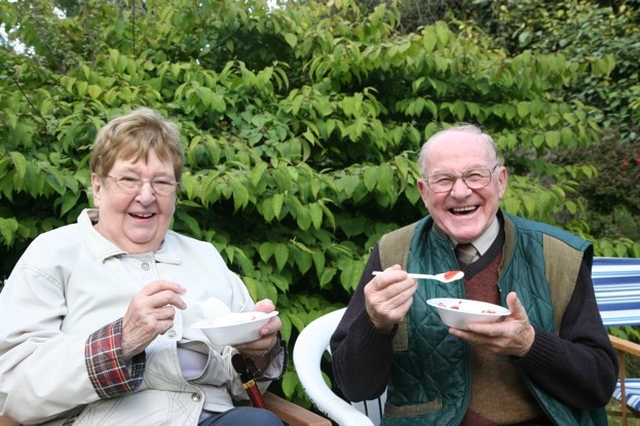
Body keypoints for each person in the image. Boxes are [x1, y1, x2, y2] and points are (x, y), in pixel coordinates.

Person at [0, 108, 286, 425]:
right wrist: (121, 341)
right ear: (97, 187)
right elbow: (12, 388)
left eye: (162, 182)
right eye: (129, 179)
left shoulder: (204, 257)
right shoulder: (54, 254)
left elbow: (243, 386)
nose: (146, 196)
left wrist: (259, 352)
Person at [330, 124, 618, 425]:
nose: (460, 191)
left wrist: (529, 344)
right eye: (443, 180)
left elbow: (598, 386)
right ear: (424, 192)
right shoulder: (394, 252)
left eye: (475, 175)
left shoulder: (557, 255)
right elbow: (354, 386)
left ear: (501, 182)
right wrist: (375, 323)